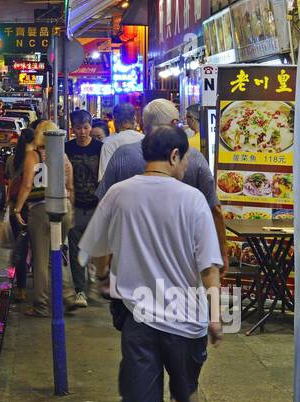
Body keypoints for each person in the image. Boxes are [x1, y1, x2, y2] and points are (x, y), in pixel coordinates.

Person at [79, 125, 223, 402]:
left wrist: (102, 278)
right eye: (186, 158)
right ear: (174, 156)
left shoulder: (118, 193)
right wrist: (216, 317)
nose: (187, 166)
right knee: (186, 397)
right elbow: (209, 267)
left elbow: (97, 248)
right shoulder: (192, 200)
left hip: (138, 318)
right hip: (186, 320)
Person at [90, 99, 226, 298]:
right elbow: (215, 210)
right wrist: (221, 252)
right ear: (172, 124)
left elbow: (104, 214)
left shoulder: (122, 156)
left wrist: (103, 269)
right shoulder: (193, 158)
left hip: (132, 277)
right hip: (183, 275)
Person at [13, 119, 78, 318]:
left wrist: (17, 209)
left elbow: (26, 185)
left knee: (41, 260)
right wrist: (70, 209)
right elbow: (70, 186)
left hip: (41, 210)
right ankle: (68, 296)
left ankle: (41, 305)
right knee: (58, 254)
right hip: (64, 208)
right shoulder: (63, 157)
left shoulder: (34, 155)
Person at [65, 109, 103, 308]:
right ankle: (80, 290)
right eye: (78, 128)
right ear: (73, 129)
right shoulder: (67, 148)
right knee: (76, 251)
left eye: (86, 128)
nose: (82, 132)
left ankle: (94, 284)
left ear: (91, 127)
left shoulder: (100, 148)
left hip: (97, 207)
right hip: (75, 206)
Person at [5, 127, 37, 303]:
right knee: (37, 248)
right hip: (32, 207)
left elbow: (9, 182)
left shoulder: (12, 159)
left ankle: (21, 289)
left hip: (15, 209)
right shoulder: (36, 159)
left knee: (21, 248)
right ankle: (36, 286)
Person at [98, 102, 143, 182]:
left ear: (115, 120)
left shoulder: (108, 143)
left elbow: (104, 179)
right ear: (134, 119)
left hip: (118, 192)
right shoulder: (146, 140)